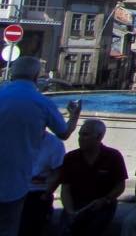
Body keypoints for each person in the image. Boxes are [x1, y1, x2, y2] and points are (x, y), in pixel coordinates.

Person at [0, 56, 81, 236]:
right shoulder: (42, 103)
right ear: (37, 76)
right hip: (16, 179)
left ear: (12, 73)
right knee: (8, 227)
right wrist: (74, 115)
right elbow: (63, 133)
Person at [60, 119, 128, 236]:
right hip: (76, 203)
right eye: (80, 134)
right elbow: (65, 188)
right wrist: (69, 210)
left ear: (99, 137)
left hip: (102, 204)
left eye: (85, 135)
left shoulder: (113, 156)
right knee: (66, 229)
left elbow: (120, 185)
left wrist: (106, 199)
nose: (80, 138)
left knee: (93, 229)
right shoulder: (70, 157)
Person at [17, 129, 65, 236]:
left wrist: (46, 194)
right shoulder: (13, 139)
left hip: (36, 192)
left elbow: (58, 174)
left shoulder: (54, 144)